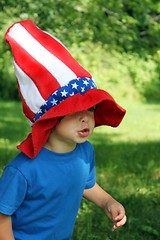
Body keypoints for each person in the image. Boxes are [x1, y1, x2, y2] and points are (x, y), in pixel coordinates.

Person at [0, 20, 127, 240]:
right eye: (74, 110)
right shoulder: (23, 170)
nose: (85, 118)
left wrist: (108, 202)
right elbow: (3, 215)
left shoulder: (85, 153)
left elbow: (85, 184)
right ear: (51, 119)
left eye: (90, 109)